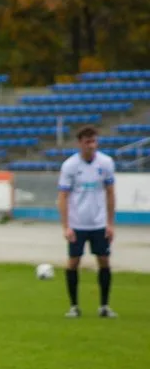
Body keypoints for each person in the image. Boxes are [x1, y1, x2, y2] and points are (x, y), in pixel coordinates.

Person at [57, 125, 117, 319]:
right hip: (77, 224)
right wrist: (66, 226)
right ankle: (74, 307)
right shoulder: (70, 166)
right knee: (73, 262)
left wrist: (110, 223)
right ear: (80, 143)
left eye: (94, 141)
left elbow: (110, 193)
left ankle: (104, 306)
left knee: (104, 260)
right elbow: (63, 196)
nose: (91, 145)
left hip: (99, 223)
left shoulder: (106, 163)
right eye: (87, 142)